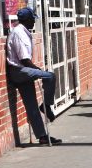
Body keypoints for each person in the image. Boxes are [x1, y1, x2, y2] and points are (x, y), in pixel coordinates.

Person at [6, 7, 62, 145]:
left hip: (23, 70)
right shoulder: (18, 33)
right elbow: (24, 59)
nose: (33, 22)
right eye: (32, 19)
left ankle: (42, 136)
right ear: (27, 20)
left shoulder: (24, 31)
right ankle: (46, 105)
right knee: (49, 76)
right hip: (19, 71)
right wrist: (38, 70)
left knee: (31, 106)